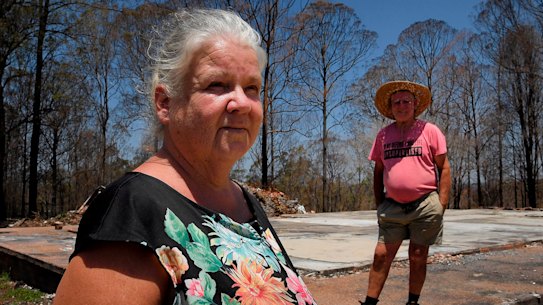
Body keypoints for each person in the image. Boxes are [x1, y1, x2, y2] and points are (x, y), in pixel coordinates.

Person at [54, 9, 316, 305]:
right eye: (217, 85)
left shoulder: (245, 202)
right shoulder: (133, 211)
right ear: (165, 103)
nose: (242, 103)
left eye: (252, 88)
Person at [360, 81, 451, 305]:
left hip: (425, 206)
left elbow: (444, 167)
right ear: (391, 108)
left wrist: (441, 204)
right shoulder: (383, 136)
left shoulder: (430, 131)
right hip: (392, 207)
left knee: (418, 257)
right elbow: (378, 171)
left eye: (406, 101)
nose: (401, 106)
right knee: (381, 256)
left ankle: (412, 302)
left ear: (415, 104)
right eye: (396, 102)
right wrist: (380, 203)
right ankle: (370, 303)